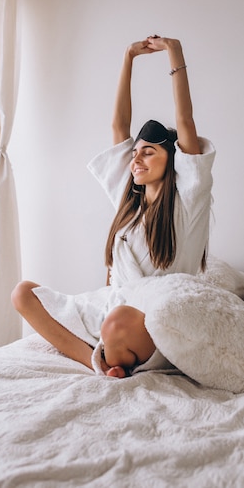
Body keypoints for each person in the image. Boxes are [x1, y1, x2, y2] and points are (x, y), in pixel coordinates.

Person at [11, 36, 215, 378]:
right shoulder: (128, 200)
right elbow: (119, 127)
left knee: (118, 322)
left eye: (149, 152)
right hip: (112, 310)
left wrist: (174, 53)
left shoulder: (188, 200)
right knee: (23, 293)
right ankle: (95, 358)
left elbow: (186, 122)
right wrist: (128, 58)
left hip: (150, 322)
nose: (137, 158)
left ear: (174, 161)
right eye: (136, 153)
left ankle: (111, 349)